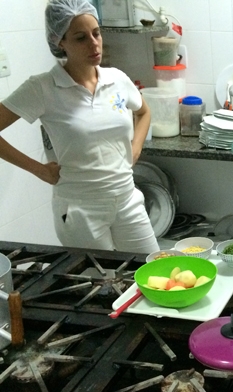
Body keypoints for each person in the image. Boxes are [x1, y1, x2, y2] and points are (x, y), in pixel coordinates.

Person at [0, 0, 159, 254]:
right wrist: (39, 170)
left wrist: (136, 147)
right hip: (80, 209)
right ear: (59, 41)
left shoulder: (117, 79)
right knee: (103, 284)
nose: (94, 43)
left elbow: (143, 111)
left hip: (127, 198)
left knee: (153, 271)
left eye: (96, 33)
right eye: (80, 38)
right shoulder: (42, 87)